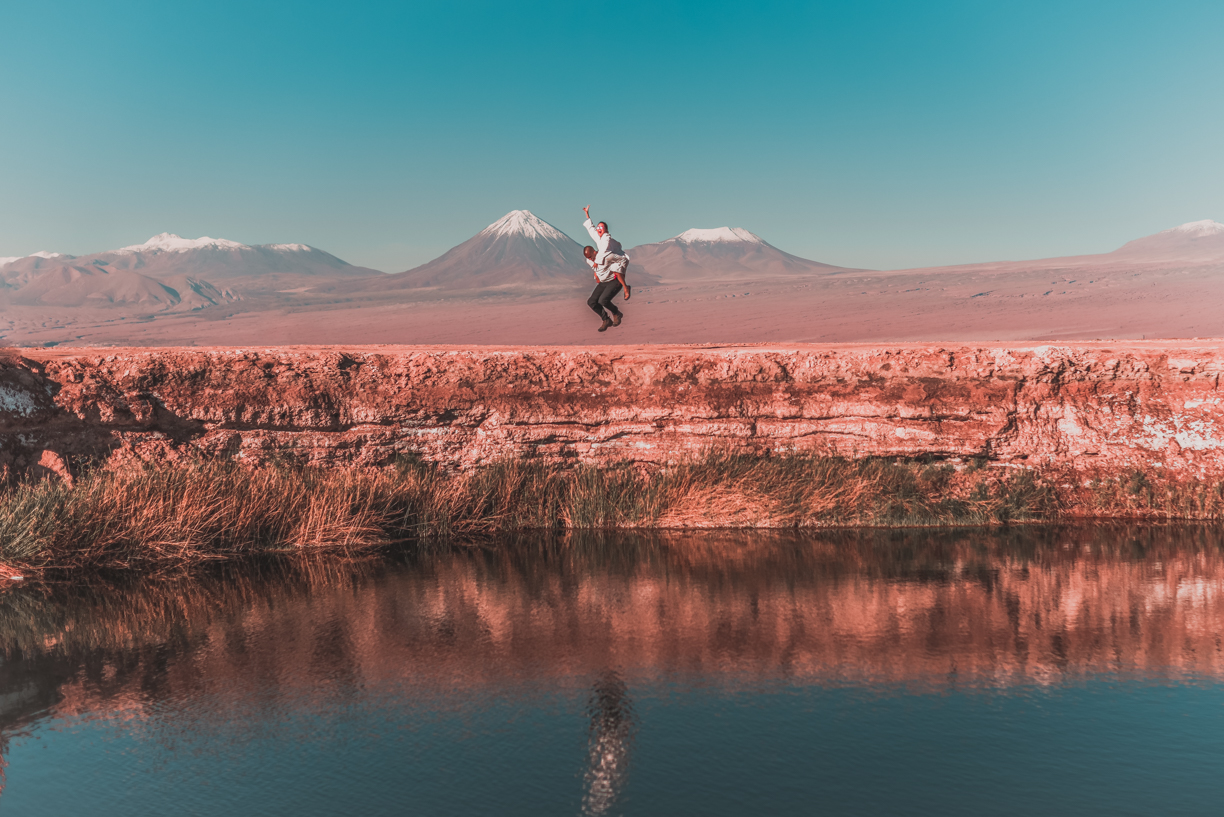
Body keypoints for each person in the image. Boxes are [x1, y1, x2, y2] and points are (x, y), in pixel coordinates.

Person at [582, 206, 631, 332]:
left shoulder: (606, 240)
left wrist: (598, 261)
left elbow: (603, 250)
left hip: (616, 267)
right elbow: (591, 230)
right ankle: (606, 319)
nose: (598, 229)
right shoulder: (591, 255)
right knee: (592, 301)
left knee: (603, 300)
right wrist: (587, 215)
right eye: (598, 228)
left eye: (601, 228)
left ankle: (618, 309)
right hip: (605, 281)